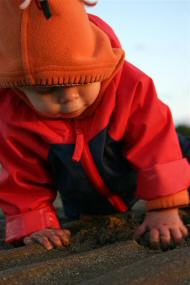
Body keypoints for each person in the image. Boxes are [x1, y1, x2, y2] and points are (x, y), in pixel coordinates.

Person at [0, 0, 190, 251]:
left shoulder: (129, 87)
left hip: (144, 166)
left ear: (100, 68)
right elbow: (21, 175)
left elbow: (156, 143)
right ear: (20, 90)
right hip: (84, 192)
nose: (69, 97)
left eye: (82, 82)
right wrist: (33, 222)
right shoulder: (17, 117)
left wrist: (165, 206)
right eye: (47, 90)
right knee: (83, 209)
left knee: (180, 152)